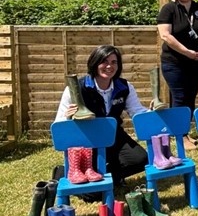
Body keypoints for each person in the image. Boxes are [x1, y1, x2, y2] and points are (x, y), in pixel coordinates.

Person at [55, 45, 149, 186]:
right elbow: (59, 123)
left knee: (140, 159)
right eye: (104, 61)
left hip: (114, 135)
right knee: (92, 194)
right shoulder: (75, 89)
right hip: (86, 141)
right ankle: (61, 173)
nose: (109, 66)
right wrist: (68, 117)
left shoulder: (124, 86)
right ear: (94, 63)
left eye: (114, 62)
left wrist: (153, 111)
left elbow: (137, 110)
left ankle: (109, 178)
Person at [157, 0, 198, 149]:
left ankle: (184, 133)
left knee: (190, 97)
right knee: (180, 97)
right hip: (174, 62)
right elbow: (165, 35)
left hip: (197, 61)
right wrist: (187, 52)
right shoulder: (168, 9)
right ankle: (180, 135)